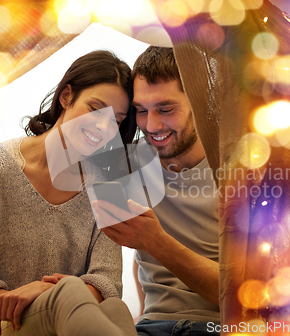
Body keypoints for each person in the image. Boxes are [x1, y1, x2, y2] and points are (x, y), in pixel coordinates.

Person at [0, 50, 138, 336]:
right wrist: (28, 300)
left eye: (116, 120)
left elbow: (108, 283)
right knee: (70, 292)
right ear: (66, 96)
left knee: (115, 309)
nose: (104, 128)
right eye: (95, 109)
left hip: (69, 323)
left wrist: (47, 293)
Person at [94, 46, 220, 335]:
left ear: (201, 101)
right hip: (153, 327)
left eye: (165, 109)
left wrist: (155, 241)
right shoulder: (128, 164)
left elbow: (242, 294)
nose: (151, 125)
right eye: (141, 111)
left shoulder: (241, 172)